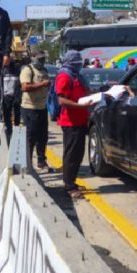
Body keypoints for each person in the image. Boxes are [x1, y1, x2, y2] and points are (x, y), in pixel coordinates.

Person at [55, 51, 94, 199]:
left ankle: (72, 182)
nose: (79, 64)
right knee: (71, 155)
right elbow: (62, 101)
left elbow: (84, 93)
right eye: (77, 62)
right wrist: (81, 106)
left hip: (80, 121)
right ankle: (69, 186)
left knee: (78, 154)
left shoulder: (78, 76)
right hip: (70, 122)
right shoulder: (64, 76)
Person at [20, 50, 52, 172]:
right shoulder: (27, 70)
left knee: (42, 136)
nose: (42, 61)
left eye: (43, 59)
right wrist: (42, 84)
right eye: (40, 59)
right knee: (31, 136)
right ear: (33, 58)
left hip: (42, 108)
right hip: (30, 108)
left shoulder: (44, 71)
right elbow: (25, 87)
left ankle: (41, 161)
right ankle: (27, 163)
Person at [1, 59, 21, 143]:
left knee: (17, 114)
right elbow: (0, 84)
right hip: (6, 97)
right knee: (7, 116)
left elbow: (19, 85)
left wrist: (18, 96)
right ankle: (9, 132)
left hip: (15, 96)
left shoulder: (17, 71)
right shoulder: (3, 71)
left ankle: (16, 129)